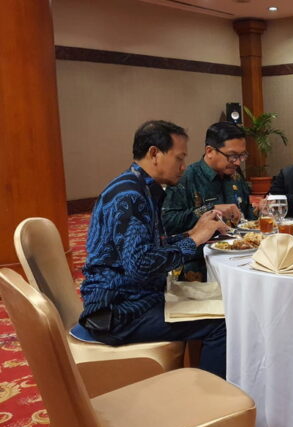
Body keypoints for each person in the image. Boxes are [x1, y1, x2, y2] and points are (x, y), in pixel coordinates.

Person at [79, 120, 229, 378]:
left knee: (219, 300)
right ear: (154, 153)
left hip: (131, 297)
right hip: (117, 310)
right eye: (179, 157)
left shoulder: (137, 186)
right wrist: (194, 240)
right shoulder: (129, 196)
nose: (183, 166)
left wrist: (191, 233)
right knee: (223, 323)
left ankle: (201, 380)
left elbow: (147, 250)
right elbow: (141, 265)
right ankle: (212, 395)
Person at [162, 121, 255, 281]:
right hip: (198, 265)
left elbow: (246, 216)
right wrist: (210, 209)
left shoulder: (236, 177)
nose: (238, 162)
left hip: (240, 261)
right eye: (232, 156)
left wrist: (259, 213)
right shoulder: (186, 178)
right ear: (210, 151)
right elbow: (168, 222)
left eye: (242, 156)